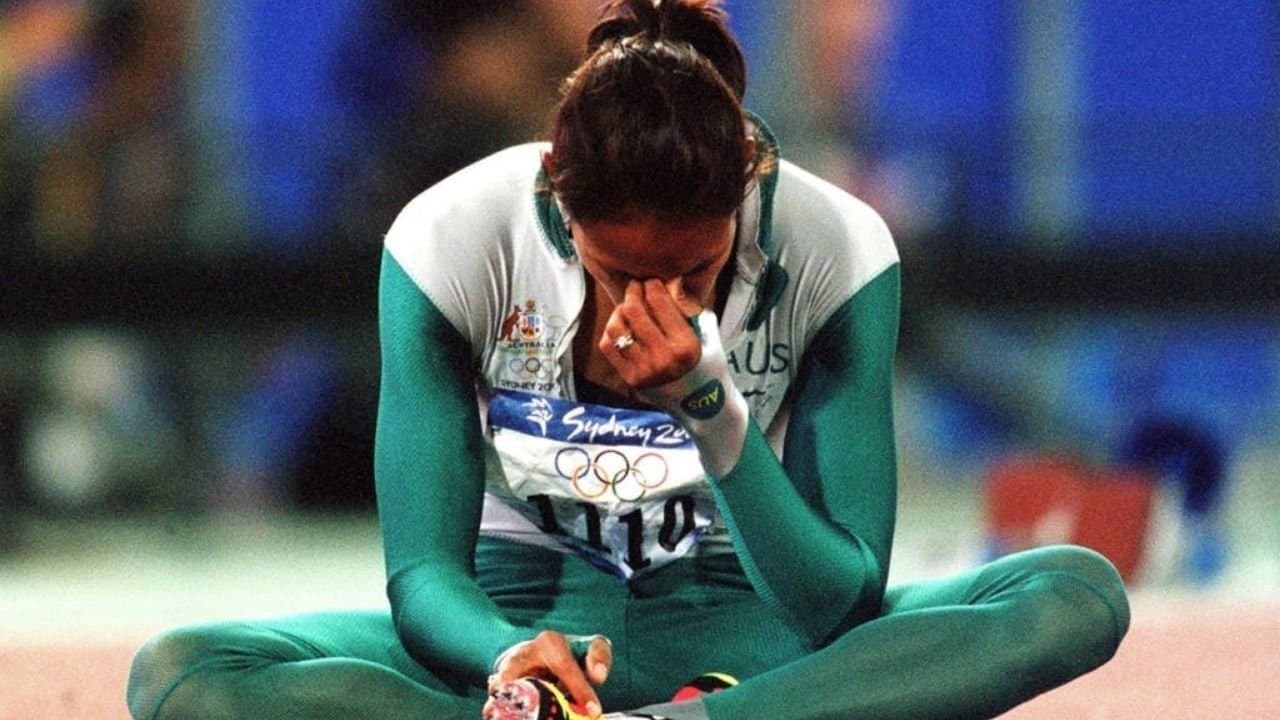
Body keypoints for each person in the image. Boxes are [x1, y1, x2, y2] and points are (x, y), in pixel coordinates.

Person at [126, 1, 1130, 718]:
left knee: (1074, 594)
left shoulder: (839, 246)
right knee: (182, 673)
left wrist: (713, 408)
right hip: (521, 629)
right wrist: (507, 654)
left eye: (696, 270)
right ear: (559, 203)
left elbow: (840, 600)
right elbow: (424, 574)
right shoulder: (449, 237)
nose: (651, 302)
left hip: (755, 638)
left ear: (745, 193)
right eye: (614, 270)